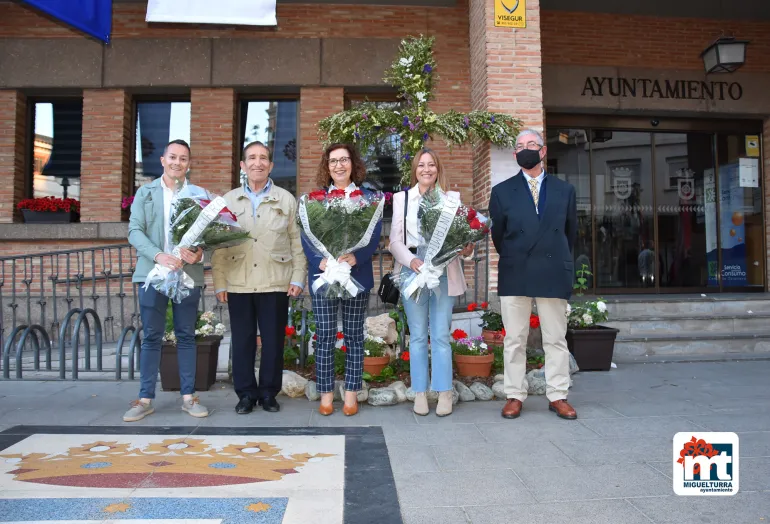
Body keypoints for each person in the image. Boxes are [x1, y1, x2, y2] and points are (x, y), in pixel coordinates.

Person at [489, 129, 579, 420]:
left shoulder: (565, 190)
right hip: (516, 269)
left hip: (553, 269)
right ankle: (514, 394)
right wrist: (518, 253)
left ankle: (558, 395)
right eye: (519, 146)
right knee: (514, 338)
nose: (525, 150)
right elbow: (498, 236)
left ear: (542, 151)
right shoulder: (501, 191)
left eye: (531, 145)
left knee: (555, 338)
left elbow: (570, 233)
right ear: (515, 155)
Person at [210, 141, 306, 414]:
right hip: (238, 281)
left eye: (263, 158)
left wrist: (298, 277)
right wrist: (220, 282)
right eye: (251, 158)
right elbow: (217, 244)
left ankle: (268, 393)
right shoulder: (227, 201)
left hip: (275, 280)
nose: (257, 163)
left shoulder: (286, 200)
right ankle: (246, 395)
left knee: (274, 340)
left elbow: (296, 242)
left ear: (271, 165)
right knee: (242, 341)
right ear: (242, 165)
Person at [124, 139, 209, 422]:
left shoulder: (199, 195)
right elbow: (134, 231)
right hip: (152, 274)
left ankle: (189, 397)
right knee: (151, 336)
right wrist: (158, 256)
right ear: (163, 160)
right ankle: (145, 398)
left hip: (187, 275)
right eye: (172, 157)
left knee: (186, 335)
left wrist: (198, 254)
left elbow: (210, 235)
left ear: (189, 164)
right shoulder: (145, 193)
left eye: (183, 158)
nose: (177, 162)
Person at [388, 148, 473, 417]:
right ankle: (420, 393)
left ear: (438, 169)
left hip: (443, 271)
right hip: (413, 270)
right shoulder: (402, 199)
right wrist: (410, 261)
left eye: (431, 165)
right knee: (417, 336)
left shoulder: (451, 201)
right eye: (421, 165)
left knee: (440, 334)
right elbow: (393, 241)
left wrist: (467, 248)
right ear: (415, 169)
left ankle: (444, 391)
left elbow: (463, 242)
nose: (426, 169)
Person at [302, 143, 383, 417]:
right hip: (323, 277)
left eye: (344, 160)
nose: (339, 165)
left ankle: (350, 394)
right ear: (327, 166)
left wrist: (356, 257)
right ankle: (326, 395)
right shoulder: (313, 200)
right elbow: (306, 235)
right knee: (324, 336)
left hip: (355, 277)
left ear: (353, 164)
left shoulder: (368, 199)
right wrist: (318, 261)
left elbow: (373, 235)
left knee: (354, 337)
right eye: (333, 161)